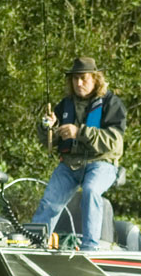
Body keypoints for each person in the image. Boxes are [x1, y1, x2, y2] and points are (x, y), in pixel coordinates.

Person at [31, 57, 127, 251]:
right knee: (50, 200)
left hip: (101, 164)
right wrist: (47, 128)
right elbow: (50, 142)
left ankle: (89, 249)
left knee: (91, 191)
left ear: (96, 79)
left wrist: (80, 132)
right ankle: (34, 245)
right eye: (75, 79)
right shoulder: (64, 105)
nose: (79, 83)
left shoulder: (111, 104)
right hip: (70, 164)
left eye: (83, 78)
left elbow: (115, 143)